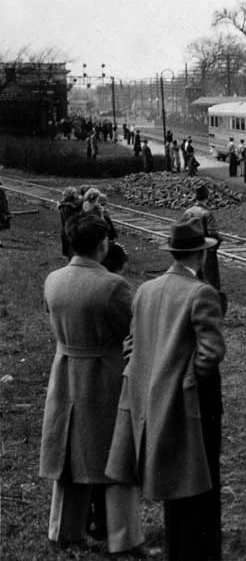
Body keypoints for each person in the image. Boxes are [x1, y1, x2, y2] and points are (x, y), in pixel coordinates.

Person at [105, 217, 226, 561]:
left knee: (173, 474)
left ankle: (178, 546)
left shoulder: (146, 289)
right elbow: (211, 352)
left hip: (150, 395)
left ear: (173, 254)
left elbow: (130, 343)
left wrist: (151, 371)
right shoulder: (201, 292)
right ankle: (200, 550)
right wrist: (185, 379)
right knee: (202, 477)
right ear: (200, 256)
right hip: (194, 399)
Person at [39, 214, 145, 556]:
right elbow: (133, 328)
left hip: (65, 370)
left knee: (68, 455)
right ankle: (123, 536)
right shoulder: (113, 286)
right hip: (103, 375)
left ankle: (64, 529)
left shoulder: (53, 280)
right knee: (116, 456)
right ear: (102, 245)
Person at [182, 184, 222, 292]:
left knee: (193, 282)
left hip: (191, 252)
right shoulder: (207, 213)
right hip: (206, 251)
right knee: (211, 283)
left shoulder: (188, 212)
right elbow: (213, 234)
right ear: (207, 197)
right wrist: (218, 242)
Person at [57, 187, 80, 259]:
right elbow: (71, 220)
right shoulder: (68, 207)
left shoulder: (65, 206)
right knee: (72, 252)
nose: (77, 195)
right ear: (71, 195)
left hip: (67, 230)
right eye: (75, 193)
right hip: (70, 231)